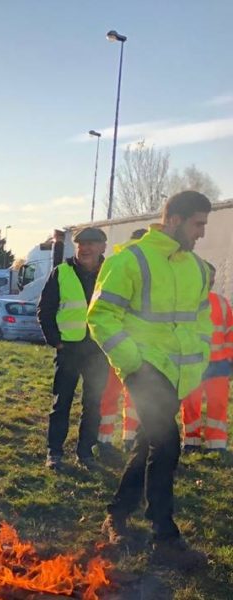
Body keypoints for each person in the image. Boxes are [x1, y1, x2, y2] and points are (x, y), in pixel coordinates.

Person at [89, 191, 213, 569]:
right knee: (167, 444)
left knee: (148, 446)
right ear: (173, 220)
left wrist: (201, 354)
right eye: (198, 224)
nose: (202, 233)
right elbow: (101, 315)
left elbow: (200, 317)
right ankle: (165, 536)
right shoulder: (130, 260)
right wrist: (134, 363)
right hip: (145, 370)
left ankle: (117, 515)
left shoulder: (197, 267)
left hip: (177, 373)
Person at [37, 227, 110, 470]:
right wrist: (55, 341)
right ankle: (54, 453)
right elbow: (45, 310)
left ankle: (85, 453)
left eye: (91, 243)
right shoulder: (62, 272)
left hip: (99, 350)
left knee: (93, 404)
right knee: (61, 403)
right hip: (69, 349)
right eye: (81, 244)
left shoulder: (111, 274)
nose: (85, 248)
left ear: (103, 247)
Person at [97, 228, 149, 453]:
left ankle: (107, 439)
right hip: (131, 346)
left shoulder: (117, 263)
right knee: (131, 395)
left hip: (115, 344)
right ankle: (125, 438)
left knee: (112, 394)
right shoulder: (141, 266)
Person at [181, 263, 232, 453]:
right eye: (206, 277)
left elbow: (230, 333)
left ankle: (217, 444)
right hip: (193, 363)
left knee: (218, 404)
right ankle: (191, 441)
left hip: (218, 364)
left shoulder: (221, 302)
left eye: (212, 278)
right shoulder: (185, 304)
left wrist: (229, 359)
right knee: (191, 403)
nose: (210, 281)